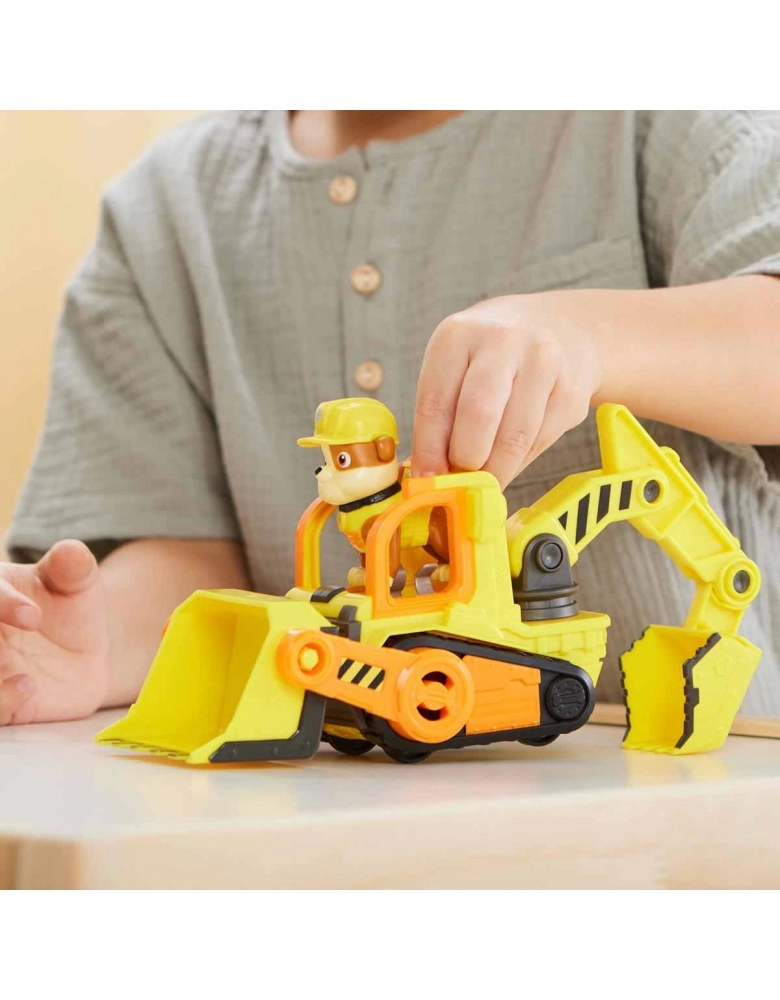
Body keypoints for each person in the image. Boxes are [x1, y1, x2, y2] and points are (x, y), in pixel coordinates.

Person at [2, 110, 780, 727]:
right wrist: (95, 641)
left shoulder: (659, 113)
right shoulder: (165, 208)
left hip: (693, 799)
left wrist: (593, 335)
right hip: (346, 812)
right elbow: (189, 556)